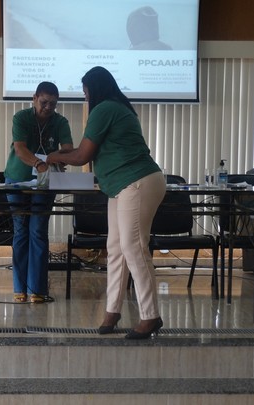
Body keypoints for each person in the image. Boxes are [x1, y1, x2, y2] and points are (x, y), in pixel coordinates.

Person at [46, 67, 166, 339]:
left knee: (133, 247)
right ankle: (112, 311)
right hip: (121, 185)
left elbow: (82, 156)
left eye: (86, 92)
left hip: (136, 181)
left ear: (94, 89)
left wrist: (56, 157)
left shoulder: (104, 109)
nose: (86, 97)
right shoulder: (118, 107)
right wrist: (65, 154)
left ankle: (150, 315)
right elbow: (85, 152)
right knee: (115, 248)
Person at [4, 81, 73, 303]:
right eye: (44, 102)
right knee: (21, 231)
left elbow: (68, 148)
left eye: (53, 104)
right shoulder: (21, 118)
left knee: (38, 232)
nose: (48, 108)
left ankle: (37, 290)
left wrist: (59, 157)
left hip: (45, 182)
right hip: (19, 179)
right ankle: (19, 289)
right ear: (34, 98)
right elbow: (20, 148)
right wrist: (38, 163)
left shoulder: (60, 121)